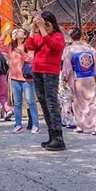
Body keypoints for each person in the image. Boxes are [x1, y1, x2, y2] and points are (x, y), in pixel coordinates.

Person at [25, 11, 66, 151]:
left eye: (47, 24)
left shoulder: (58, 36)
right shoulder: (39, 35)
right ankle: (51, 134)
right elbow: (29, 46)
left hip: (50, 72)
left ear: (52, 24)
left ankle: (59, 137)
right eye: (44, 24)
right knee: (43, 102)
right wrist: (33, 29)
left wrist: (43, 29)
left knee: (51, 102)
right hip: (37, 71)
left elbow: (53, 46)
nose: (45, 27)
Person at [62, 27, 96, 135]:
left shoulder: (69, 49)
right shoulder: (89, 48)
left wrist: (65, 78)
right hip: (90, 77)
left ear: (71, 37)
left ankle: (80, 125)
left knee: (79, 102)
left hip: (78, 78)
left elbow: (67, 66)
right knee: (93, 102)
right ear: (81, 36)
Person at [0, 27, 39, 133]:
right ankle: (18, 124)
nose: (17, 32)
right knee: (17, 103)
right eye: (15, 31)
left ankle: (35, 125)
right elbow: (0, 47)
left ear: (25, 35)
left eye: (20, 31)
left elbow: (31, 60)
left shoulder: (28, 46)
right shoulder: (11, 46)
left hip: (26, 78)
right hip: (14, 78)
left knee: (30, 102)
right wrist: (4, 34)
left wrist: (22, 53)